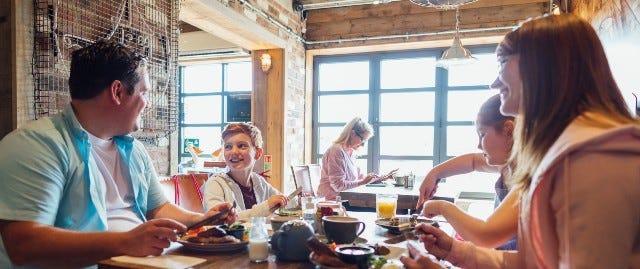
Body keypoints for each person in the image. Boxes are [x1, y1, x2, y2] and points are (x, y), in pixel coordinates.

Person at [402, 14, 640, 269]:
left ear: (545, 67)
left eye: (502, 62)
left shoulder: (595, 157)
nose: (494, 82)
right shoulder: (561, 150)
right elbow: (540, 262)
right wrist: (458, 253)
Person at [0, 39, 236, 268]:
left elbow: (157, 209)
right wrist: (126, 242)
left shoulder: (134, 150)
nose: (149, 103)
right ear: (117, 91)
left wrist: (202, 219)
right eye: (144, 92)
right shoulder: (38, 145)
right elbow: (24, 245)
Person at [417, 94, 519, 250]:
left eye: (482, 134)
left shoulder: (528, 177)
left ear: (508, 131)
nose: (478, 145)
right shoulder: (507, 165)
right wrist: (435, 173)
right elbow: (472, 161)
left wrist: (442, 207)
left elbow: (486, 235)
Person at [202, 123, 291, 220]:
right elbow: (220, 219)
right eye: (228, 147)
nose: (234, 152)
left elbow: (284, 201)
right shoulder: (215, 184)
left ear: (258, 153)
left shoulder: (258, 182)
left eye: (241, 146)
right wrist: (266, 206)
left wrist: (300, 200)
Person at [316, 117, 395, 200]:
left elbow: (361, 178)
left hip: (345, 199)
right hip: (331, 203)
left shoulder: (351, 152)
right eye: (362, 140)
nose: (363, 145)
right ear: (353, 133)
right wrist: (362, 182)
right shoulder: (336, 151)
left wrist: (382, 177)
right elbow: (338, 186)